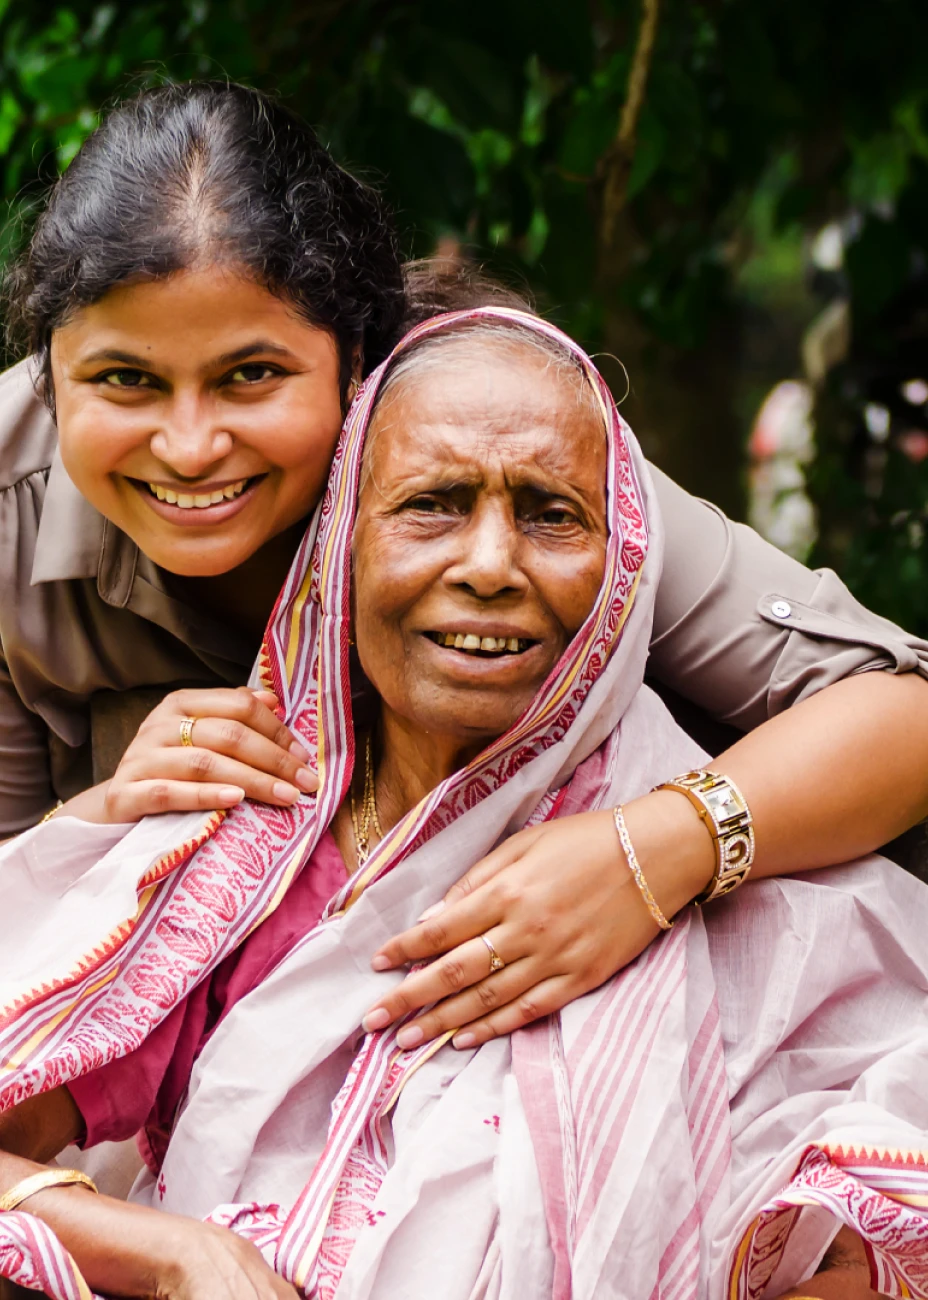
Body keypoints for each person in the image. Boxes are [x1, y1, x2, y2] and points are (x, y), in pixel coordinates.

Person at [1, 308, 927, 1300]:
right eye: (432, 504)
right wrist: (180, 1255)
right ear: (340, 551)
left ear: (622, 572)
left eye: (549, 513)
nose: (490, 564)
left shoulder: (758, 898)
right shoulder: (233, 851)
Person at [2, 80, 928, 1055]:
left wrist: (652, 851)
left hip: (617, 1025)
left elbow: (897, 708)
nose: (189, 446)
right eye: (126, 381)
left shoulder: (489, 429)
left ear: (356, 360)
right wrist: (104, 818)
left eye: (251, 375)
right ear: (49, 366)